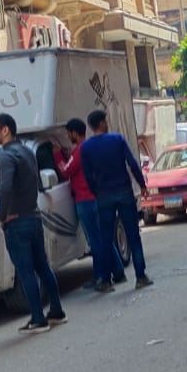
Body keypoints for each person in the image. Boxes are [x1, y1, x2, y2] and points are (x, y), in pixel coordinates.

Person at [0, 113, 66, 332]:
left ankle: (38, 318)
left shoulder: (8, 156)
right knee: (43, 267)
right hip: (33, 216)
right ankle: (56, 310)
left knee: (26, 271)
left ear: (5, 130)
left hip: (17, 222)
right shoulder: (27, 152)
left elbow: (6, 187)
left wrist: (2, 216)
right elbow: (18, 181)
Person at [80, 109, 153, 291]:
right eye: (105, 120)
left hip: (103, 195)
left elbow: (88, 175)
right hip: (123, 191)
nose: (107, 123)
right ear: (101, 123)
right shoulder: (117, 140)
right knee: (133, 235)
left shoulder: (86, 148)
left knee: (105, 238)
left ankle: (106, 280)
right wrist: (142, 185)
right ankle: (140, 276)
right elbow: (132, 163)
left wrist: (96, 192)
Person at [61, 116, 126, 293]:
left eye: (68, 133)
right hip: (98, 197)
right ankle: (118, 272)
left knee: (95, 241)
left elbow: (66, 171)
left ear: (75, 133)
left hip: (85, 200)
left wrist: (58, 156)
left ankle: (101, 277)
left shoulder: (80, 150)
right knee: (103, 238)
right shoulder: (88, 148)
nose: (68, 137)